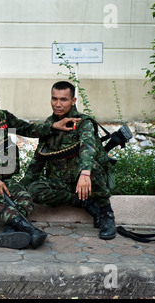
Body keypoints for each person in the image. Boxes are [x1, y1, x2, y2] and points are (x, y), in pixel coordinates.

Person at [0, 75, 79, 249]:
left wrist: (53, 126)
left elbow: (28, 128)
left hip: (3, 179)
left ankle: (9, 233)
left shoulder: (3, 117)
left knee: (25, 198)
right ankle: (31, 230)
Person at [20, 81, 116, 239]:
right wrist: (20, 187)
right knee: (34, 189)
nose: (57, 104)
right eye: (54, 99)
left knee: (94, 168)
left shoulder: (83, 123)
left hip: (87, 180)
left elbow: (88, 148)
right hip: (62, 183)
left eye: (63, 99)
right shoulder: (49, 125)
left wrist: (85, 173)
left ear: (73, 101)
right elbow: (38, 159)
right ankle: (84, 202)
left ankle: (106, 214)